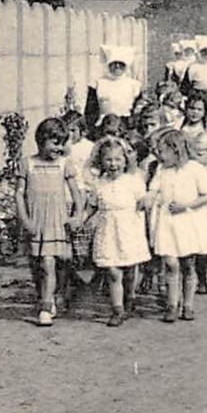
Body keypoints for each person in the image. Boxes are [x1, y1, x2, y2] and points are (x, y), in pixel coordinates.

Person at [13, 117, 84, 326]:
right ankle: (46, 296)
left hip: (56, 220)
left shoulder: (64, 164)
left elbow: (76, 193)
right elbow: (18, 195)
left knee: (49, 263)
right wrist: (25, 220)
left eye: (62, 143)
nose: (59, 148)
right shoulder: (28, 164)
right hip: (35, 220)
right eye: (55, 143)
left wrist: (77, 216)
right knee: (36, 265)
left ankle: (45, 307)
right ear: (41, 140)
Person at [145, 128, 207, 322]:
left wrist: (186, 206)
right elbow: (153, 190)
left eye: (162, 151)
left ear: (176, 150)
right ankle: (172, 304)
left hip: (187, 222)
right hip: (167, 222)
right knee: (170, 263)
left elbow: (206, 196)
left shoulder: (195, 169)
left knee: (188, 265)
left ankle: (188, 304)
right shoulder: (161, 170)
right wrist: (147, 200)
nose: (159, 155)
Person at [84, 137, 153, 327]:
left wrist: (148, 204)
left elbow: (143, 203)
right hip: (108, 230)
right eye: (109, 160)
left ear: (125, 160)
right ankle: (117, 310)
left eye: (118, 159)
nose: (113, 164)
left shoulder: (133, 181)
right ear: (101, 161)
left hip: (129, 230)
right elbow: (92, 206)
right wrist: (81, 220)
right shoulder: (99, 183)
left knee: (130, 271)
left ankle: (130, 298)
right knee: (113, 272)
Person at [87, 47, 143, 137]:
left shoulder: (134, 85)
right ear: (108, 65)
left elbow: (138, 110)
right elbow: (90, 111)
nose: (117, 66)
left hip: (126, 126)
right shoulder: (98, 84)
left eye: (121, 63)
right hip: (103, 126)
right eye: (114, 63)